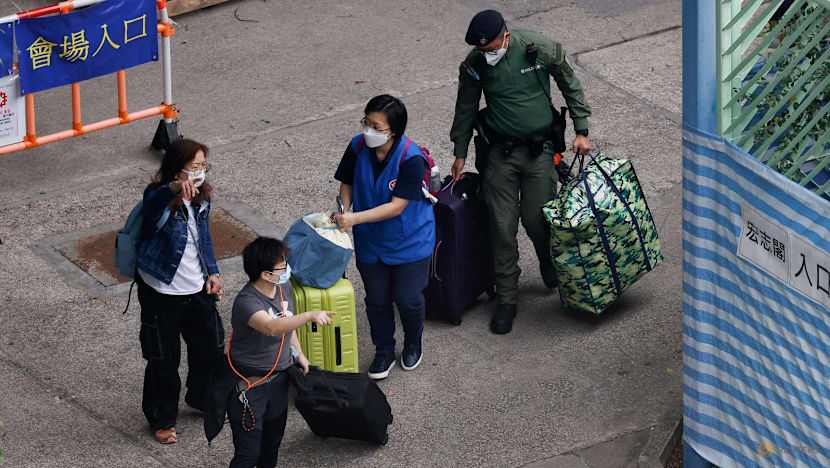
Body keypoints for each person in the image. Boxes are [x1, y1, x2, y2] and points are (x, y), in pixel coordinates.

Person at [449, 9, 593, 334]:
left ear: (506, 36)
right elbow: (465, 107)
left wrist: (581, 130)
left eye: (491, 47)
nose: (487, 54)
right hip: (501, 154)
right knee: (502, 227)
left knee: (538, 219)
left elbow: (569, 81)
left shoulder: (537, 48)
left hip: (539, 152)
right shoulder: (475, 64)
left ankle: (548, 261)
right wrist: (460, 152)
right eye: (482, 50)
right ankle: (507, 299)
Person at [204, 237, 334, 467]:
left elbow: (287, 324)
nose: (287, 269)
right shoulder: (247, 302)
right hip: (250, 385)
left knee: (272, 445)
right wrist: (309, 315)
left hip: (278, 381)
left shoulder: (282, 287)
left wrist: (299, 354)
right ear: (265, 274)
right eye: (282, 266)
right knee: (248, 454)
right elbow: (272, 327)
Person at [333, 94, 436, 380]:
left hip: (409, 240)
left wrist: (354, 218)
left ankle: (413, 342)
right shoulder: (357, 147)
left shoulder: (411, 159)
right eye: (367, 123)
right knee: (377, 299)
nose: (369, 131)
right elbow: (347, 182)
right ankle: (384, 350)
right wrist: (344, 209)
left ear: (394, 131)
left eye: (377, 127)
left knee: (408, 298)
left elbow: (396, 206)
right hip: (370, 239)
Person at [135, 138, 225, 444]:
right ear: (176, 170)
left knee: (210, 348)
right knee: (163, 359)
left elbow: (204, 237)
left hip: (197, 288)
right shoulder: (157, 196)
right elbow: (154, 204)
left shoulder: (202, 197)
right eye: (193, 167)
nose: (200, 173)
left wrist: (212, 272)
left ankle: (200, 397)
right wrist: (174, 188)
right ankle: (162, 418)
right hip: (161, 291)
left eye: (203, 166)